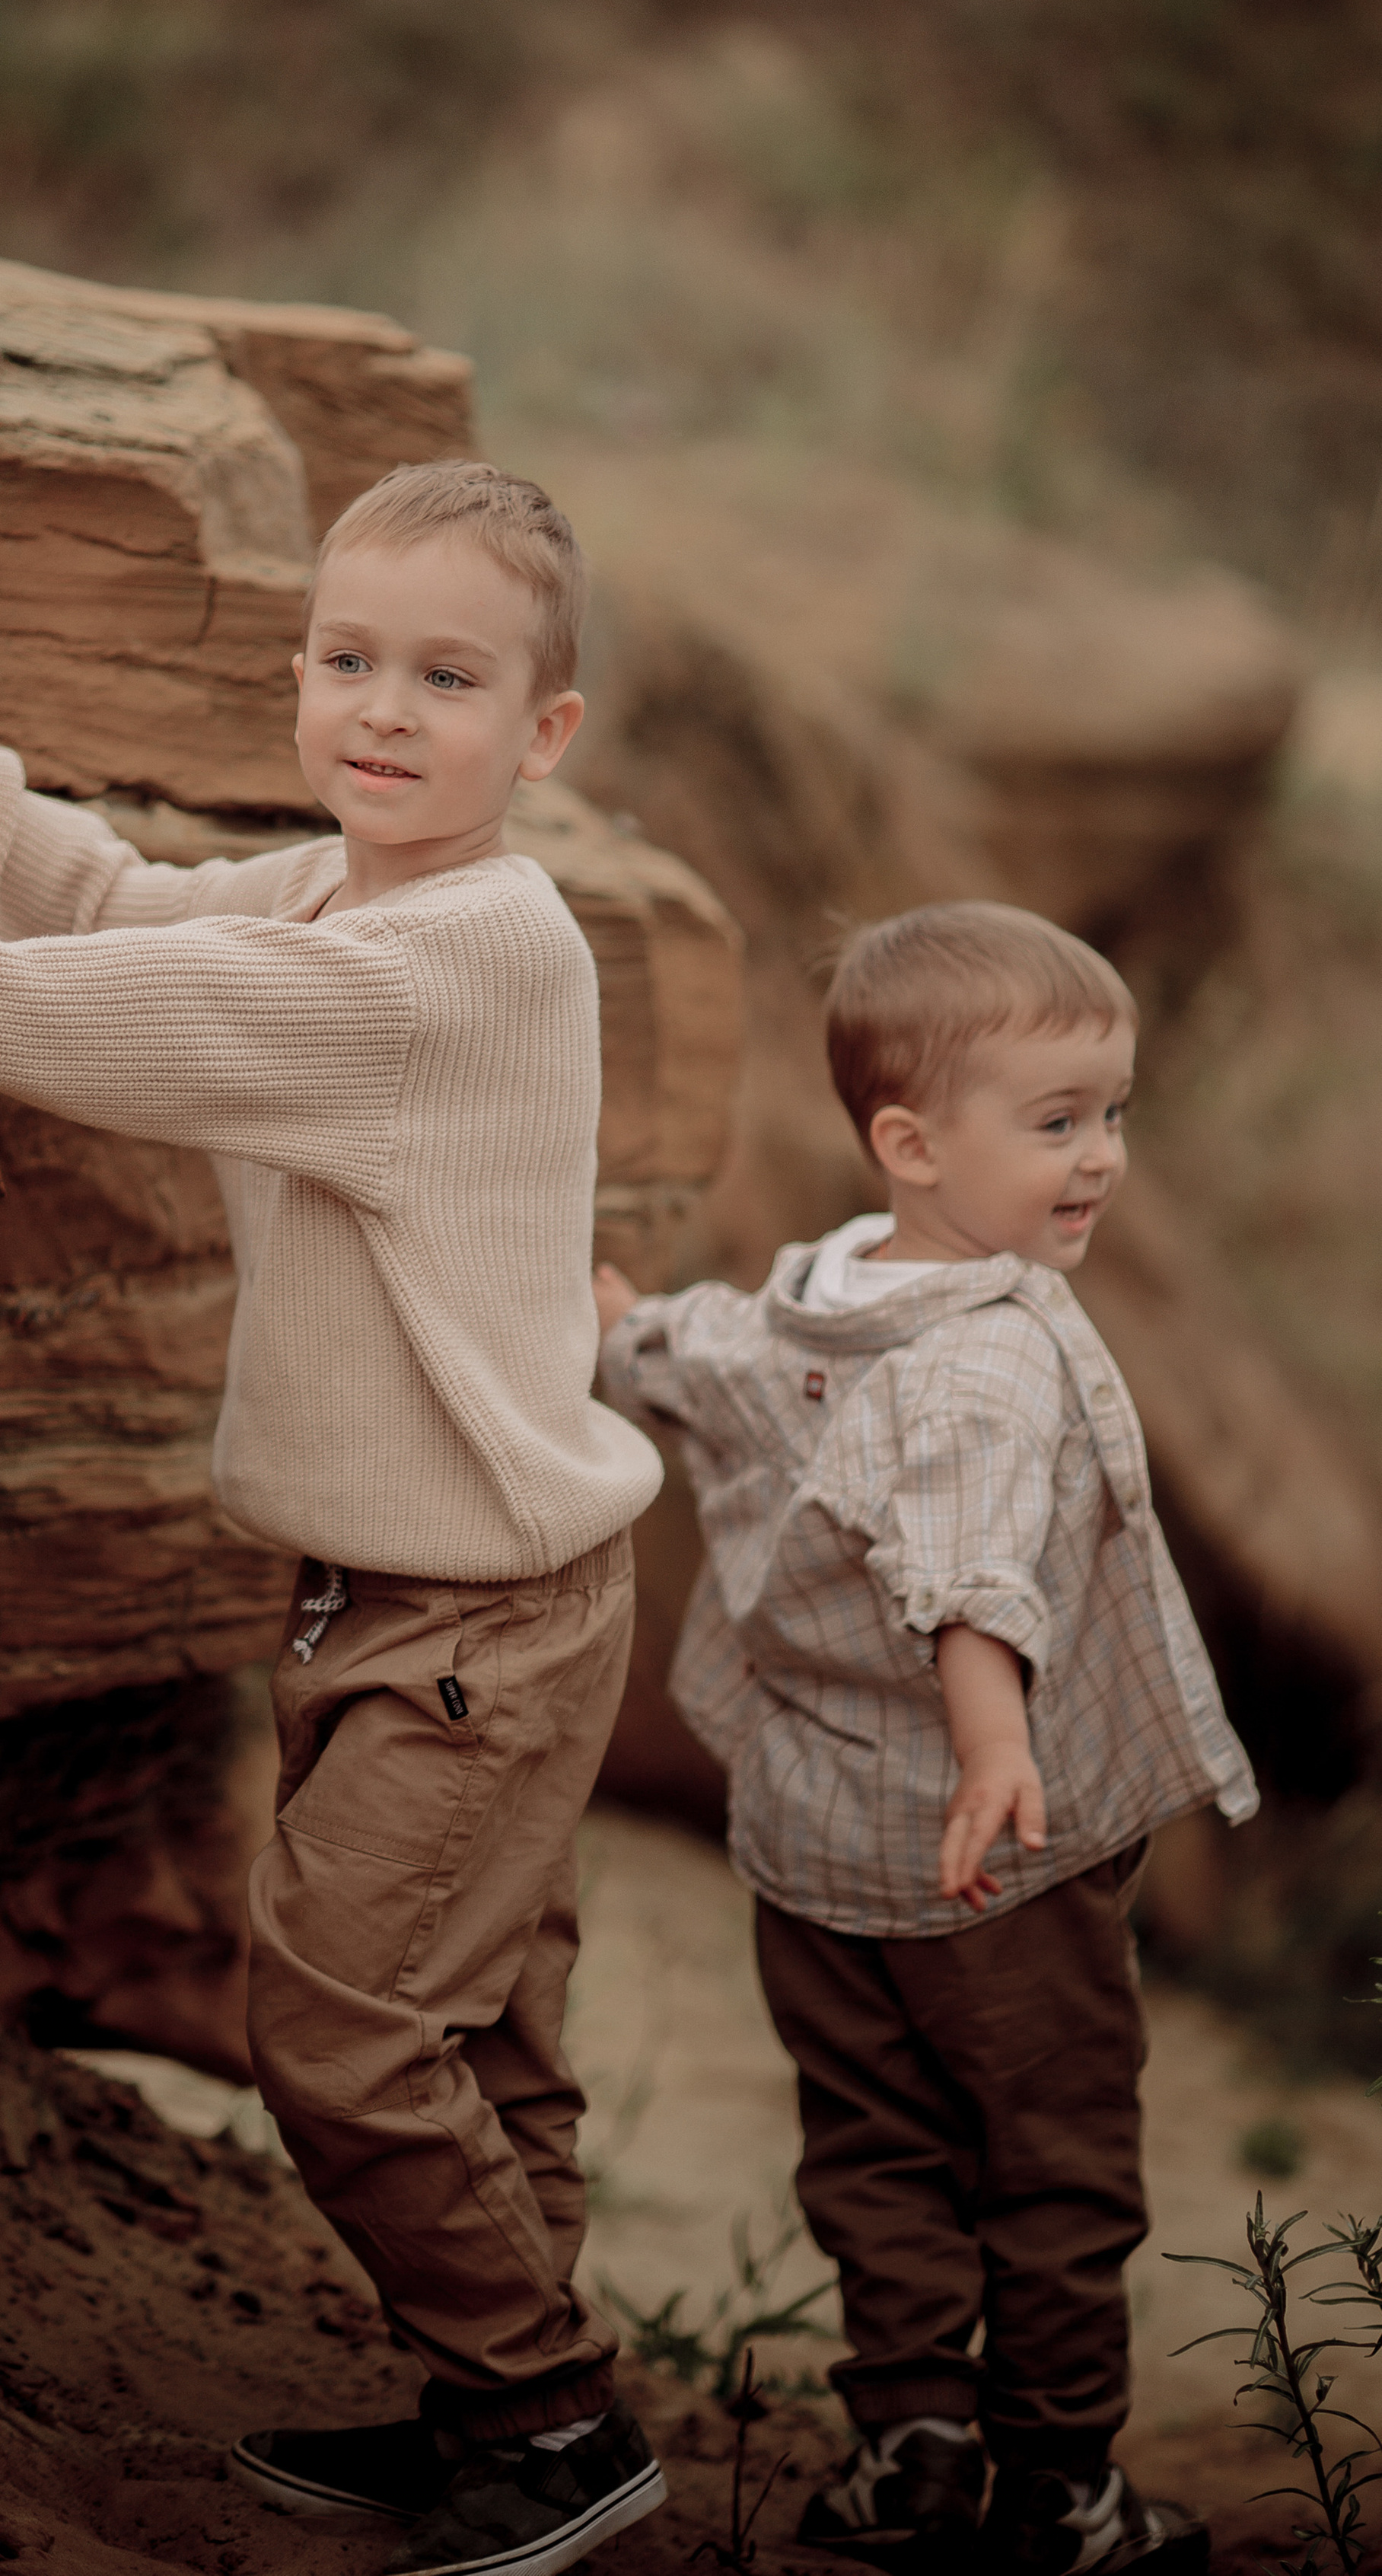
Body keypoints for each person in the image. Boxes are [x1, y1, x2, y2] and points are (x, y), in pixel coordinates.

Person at [0, 460, 670, 2576]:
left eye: (448, 677)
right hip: (424, 1596)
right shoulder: (353, 895)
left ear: (544, 737)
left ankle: (545, 2416)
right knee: (481, 2022)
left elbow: (152, 1019)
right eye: (349, 659)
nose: (381, 708)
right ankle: (517, 2404)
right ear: (301, 671)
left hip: (473, 1625)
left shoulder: (457, 958)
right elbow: (134, 913)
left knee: (341, 2022)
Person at [594, 902, 1256, 2576]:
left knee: (872, 2147)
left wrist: (613, 1328)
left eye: (1109, 1111)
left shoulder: (819, 1303)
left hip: (814, 1843)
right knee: (1050, 2168)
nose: (1098, 1156)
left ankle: (909, 2454)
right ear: (908, 1139)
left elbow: (704, 1353)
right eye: (1054, 1123)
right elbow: (965, 1570)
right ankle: (1055, 2491)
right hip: (989, 1857)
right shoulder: (980, 1361)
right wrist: (992, 1744)